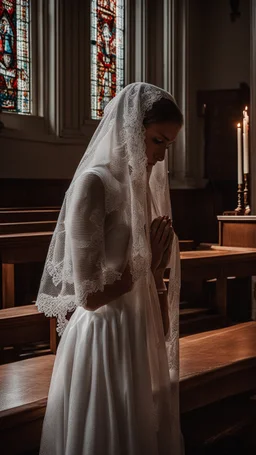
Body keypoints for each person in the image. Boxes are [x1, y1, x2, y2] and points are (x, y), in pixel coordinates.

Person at [36, 82, 184, 455]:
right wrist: (145, 266)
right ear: (131, 130)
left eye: (169, 145)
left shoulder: (141, 189)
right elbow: (87, 297)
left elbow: (147, 281)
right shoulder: (94, 184)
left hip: (136, 332)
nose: (162, 157)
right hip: (104, 339)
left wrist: (154, 274)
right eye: (158, 141)